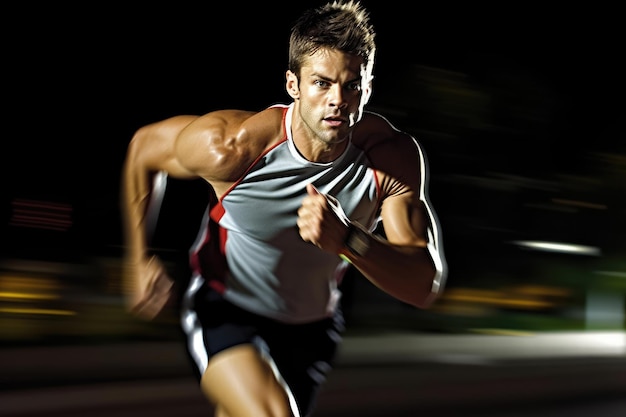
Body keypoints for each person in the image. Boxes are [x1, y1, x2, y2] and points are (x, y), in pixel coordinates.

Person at [121, 1, 447, 416]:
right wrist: (137, 257)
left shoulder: (390, 158)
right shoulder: (232, 147)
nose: (338, 101)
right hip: (227, 306)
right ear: (293, 84)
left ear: (367, 85)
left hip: (312, 328)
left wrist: (349, 240)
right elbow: (143, 150)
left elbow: (422, 285)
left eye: (352, 86)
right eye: (321, 83)